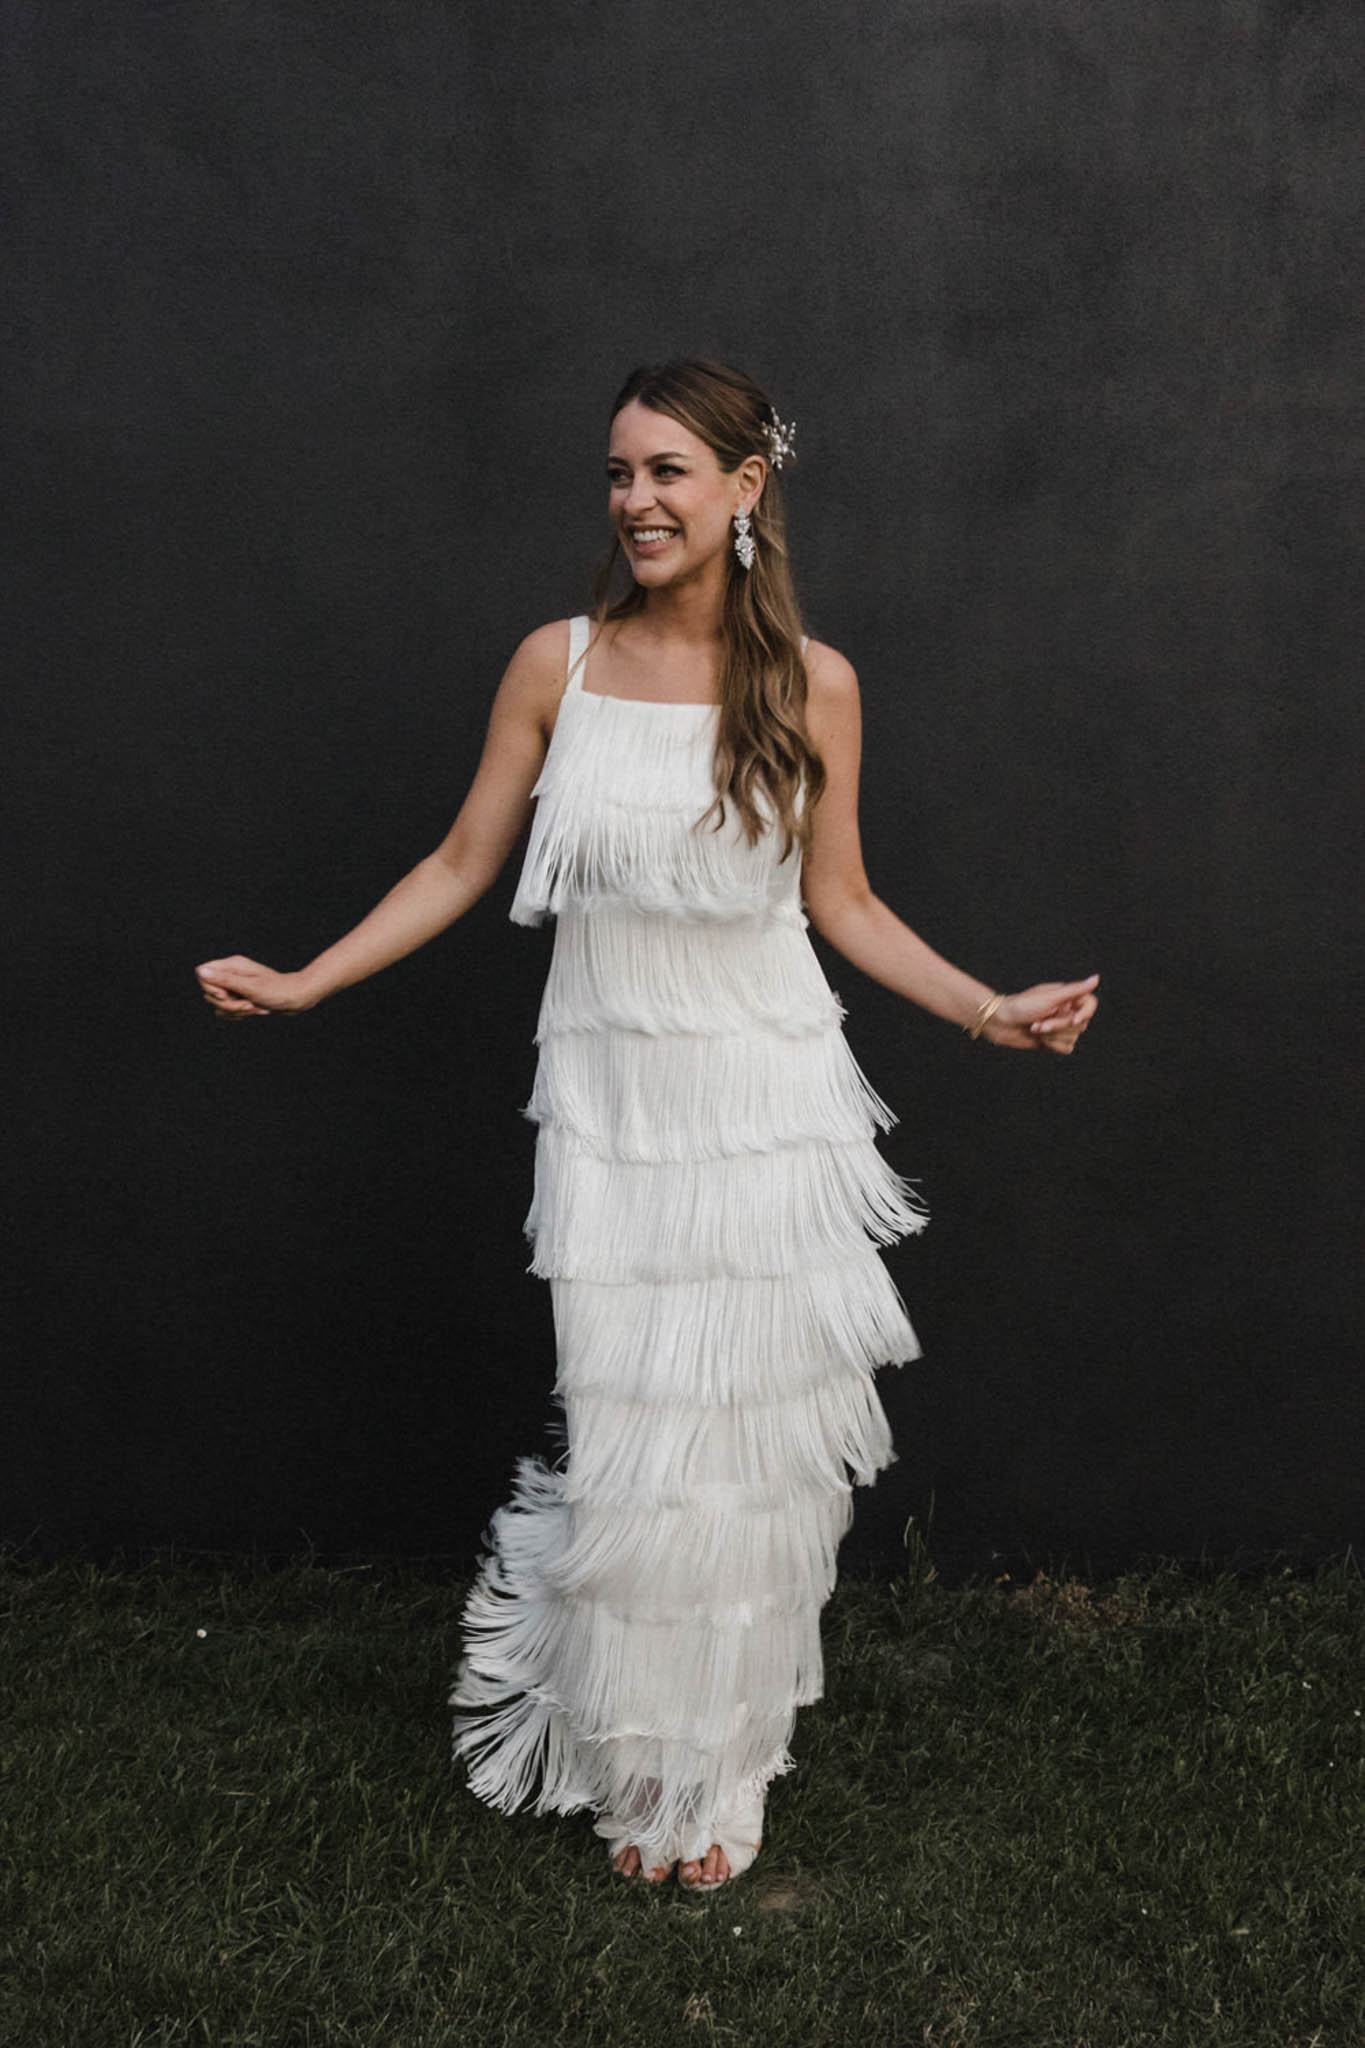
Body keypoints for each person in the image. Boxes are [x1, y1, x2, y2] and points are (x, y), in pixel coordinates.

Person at [195, 356, 1098, 1893]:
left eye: (668, 473)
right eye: (618, 474)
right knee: (635, 1449)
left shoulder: (814, 684)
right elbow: (460, 860)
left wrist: (984, 1007)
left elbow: (846, 904)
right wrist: (309, 981)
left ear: (746, 490)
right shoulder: (556, 663)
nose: (634, 502)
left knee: (748, 1454)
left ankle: (724, 1774)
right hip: (612, 1121)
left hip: (763, 1110)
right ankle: (639, 1757)